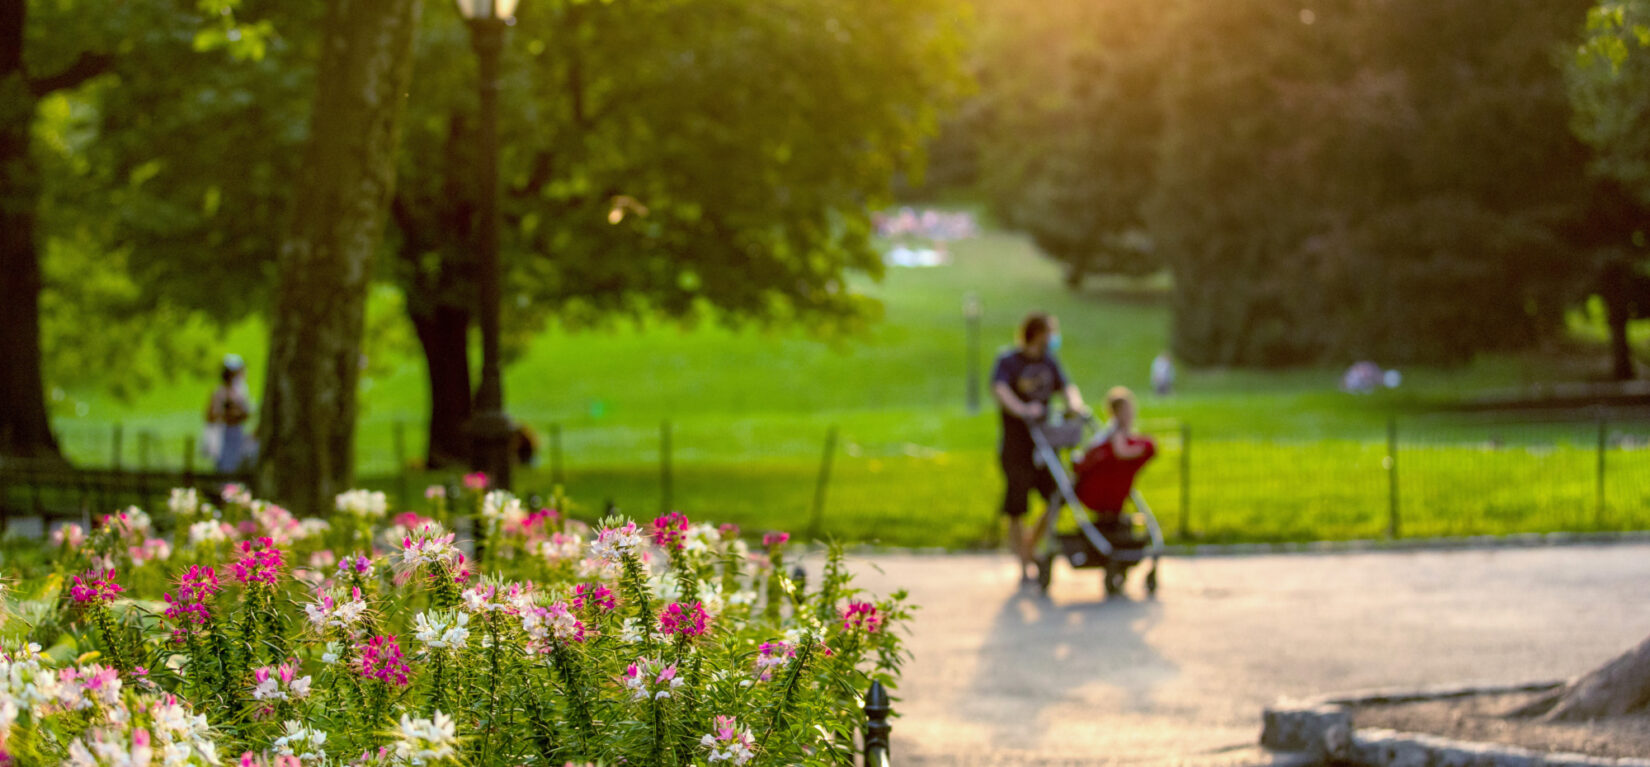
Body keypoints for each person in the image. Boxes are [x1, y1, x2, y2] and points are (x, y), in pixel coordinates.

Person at [991, 312, 1089, 583]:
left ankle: (1031, 545)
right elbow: (1000, 390)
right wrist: (1022, 409)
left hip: (1046, 443)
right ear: (1036, 334)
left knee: (1057, 495)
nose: (1054, 337)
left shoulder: (1049, 361)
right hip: (1017, 444)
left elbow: (1068, 387)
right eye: (1050, 331)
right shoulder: (1009, 361)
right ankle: (1023, 563)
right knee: (1016, 505)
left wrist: (1075, 405)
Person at [205, 354, 255, 473]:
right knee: (226, 465)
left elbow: (246, 414)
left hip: (237, 432)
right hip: (224, 433)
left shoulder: (241, 390)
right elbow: (211, 415)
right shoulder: (220, 392)